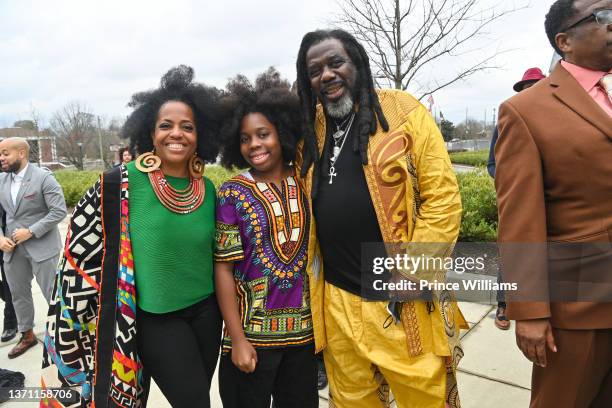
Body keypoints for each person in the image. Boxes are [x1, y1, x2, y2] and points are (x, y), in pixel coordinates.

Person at [295, 29, 467, 407]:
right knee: (350, 399)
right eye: (314, 70)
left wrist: (412, 270)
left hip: (399, 299)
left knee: (425, 397)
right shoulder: (313, 129)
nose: (326, 75)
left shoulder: (402, 110)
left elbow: (443, 197)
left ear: (356, 63)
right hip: (336, 299)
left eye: (335, 62)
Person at [41, 65, 223, 408]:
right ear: (150, 133)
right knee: (195, 400)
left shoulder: (208, 188)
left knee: (198, 392)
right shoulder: (120, 184)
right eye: (165, 126)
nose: (177, 134)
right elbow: (79, 254)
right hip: (157, 320)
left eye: (188, 127)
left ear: (201, 135)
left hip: (207, 315)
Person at [495, 0, 612, 406]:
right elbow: (519, 219)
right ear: (565, 41)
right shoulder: (525, 110)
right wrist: (528, 310)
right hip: (579, 304)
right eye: (603, 16)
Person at [214, 69, 318, 408]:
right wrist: (238, 339)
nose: (254, 145)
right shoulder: (231, 193)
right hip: (250, 341)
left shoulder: (307, 182)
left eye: (263, 134)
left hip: (304, 340)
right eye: (245, 139)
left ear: (283, 133)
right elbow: (224, 269)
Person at [487, 67, 546, 330]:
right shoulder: (507, 118)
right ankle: (504, 304)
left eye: (537, 85)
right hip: (515, 199)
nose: (531, 91)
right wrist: (511, 184)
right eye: (527, 87)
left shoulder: (553, 118)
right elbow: (492, 163)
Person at [0, 138, 67, 359]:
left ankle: (64, 339)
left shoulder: (43, 178)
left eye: (5, 153)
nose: (1, 158)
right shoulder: (1, 180)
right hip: (12, 249)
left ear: (21, 153)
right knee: (18, 294)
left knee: (52, 293)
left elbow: (58, 211)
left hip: (42, 246)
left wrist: (31, 231)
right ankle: (26, 335)